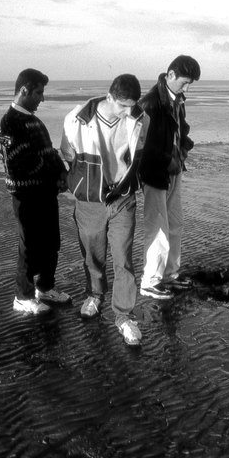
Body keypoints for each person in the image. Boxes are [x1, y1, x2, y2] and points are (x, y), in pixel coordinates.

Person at [60, 74, 149, 346]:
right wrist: (81, 187)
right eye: (122, 105)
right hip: (90, 201)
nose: (127, 112)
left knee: (123, 258)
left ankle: (124, 316)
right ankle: (94, 295)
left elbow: (139, 156)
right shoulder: (76, 119)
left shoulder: (141, 119)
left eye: (131, 106)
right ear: (109, 97)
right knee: (92, 254)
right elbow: (67, 155)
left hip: (123, 198)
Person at [0, 68, 71, 315]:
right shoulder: (9, 121)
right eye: (39, 92)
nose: (42, 98)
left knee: (51, 242)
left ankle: (45, 288)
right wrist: (52, 173)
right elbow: (20, 162)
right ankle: (22, 296)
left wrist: (62, 172)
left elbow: (48, 152)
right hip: (25, 195)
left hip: (46, 192)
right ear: (24, 91)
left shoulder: (34, 120)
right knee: (28, 246)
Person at [138, 55, 201, 300]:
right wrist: (168, 160)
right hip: (155, 173)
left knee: (176, 223)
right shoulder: (150, 103)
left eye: (190, 84)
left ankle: (170, 275)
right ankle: (150, 281)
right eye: (185, 82)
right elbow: (143, 145)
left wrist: (184, 147)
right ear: (170, 75)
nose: (187, 88)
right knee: (157, 229)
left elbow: (181, 127)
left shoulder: (176, 99)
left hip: (174, 169)